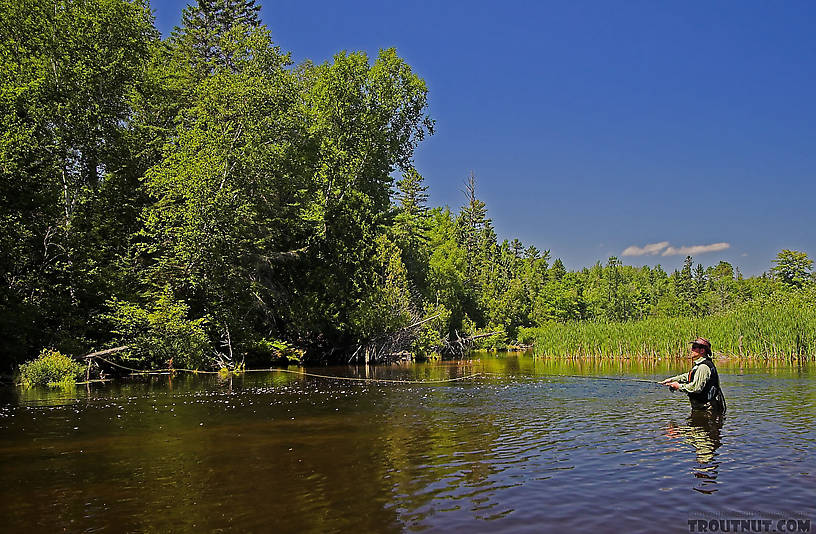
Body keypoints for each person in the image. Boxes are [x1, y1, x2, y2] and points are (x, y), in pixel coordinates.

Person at [661, 337, 726, 413]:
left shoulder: (703, 367)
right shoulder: (699, 365)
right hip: (702, 408)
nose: (691, 350)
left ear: (702, 350)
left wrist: (678, 386)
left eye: (694, 347)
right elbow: (688, 376)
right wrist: (671, 380)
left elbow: (696, 388)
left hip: (707, 409)